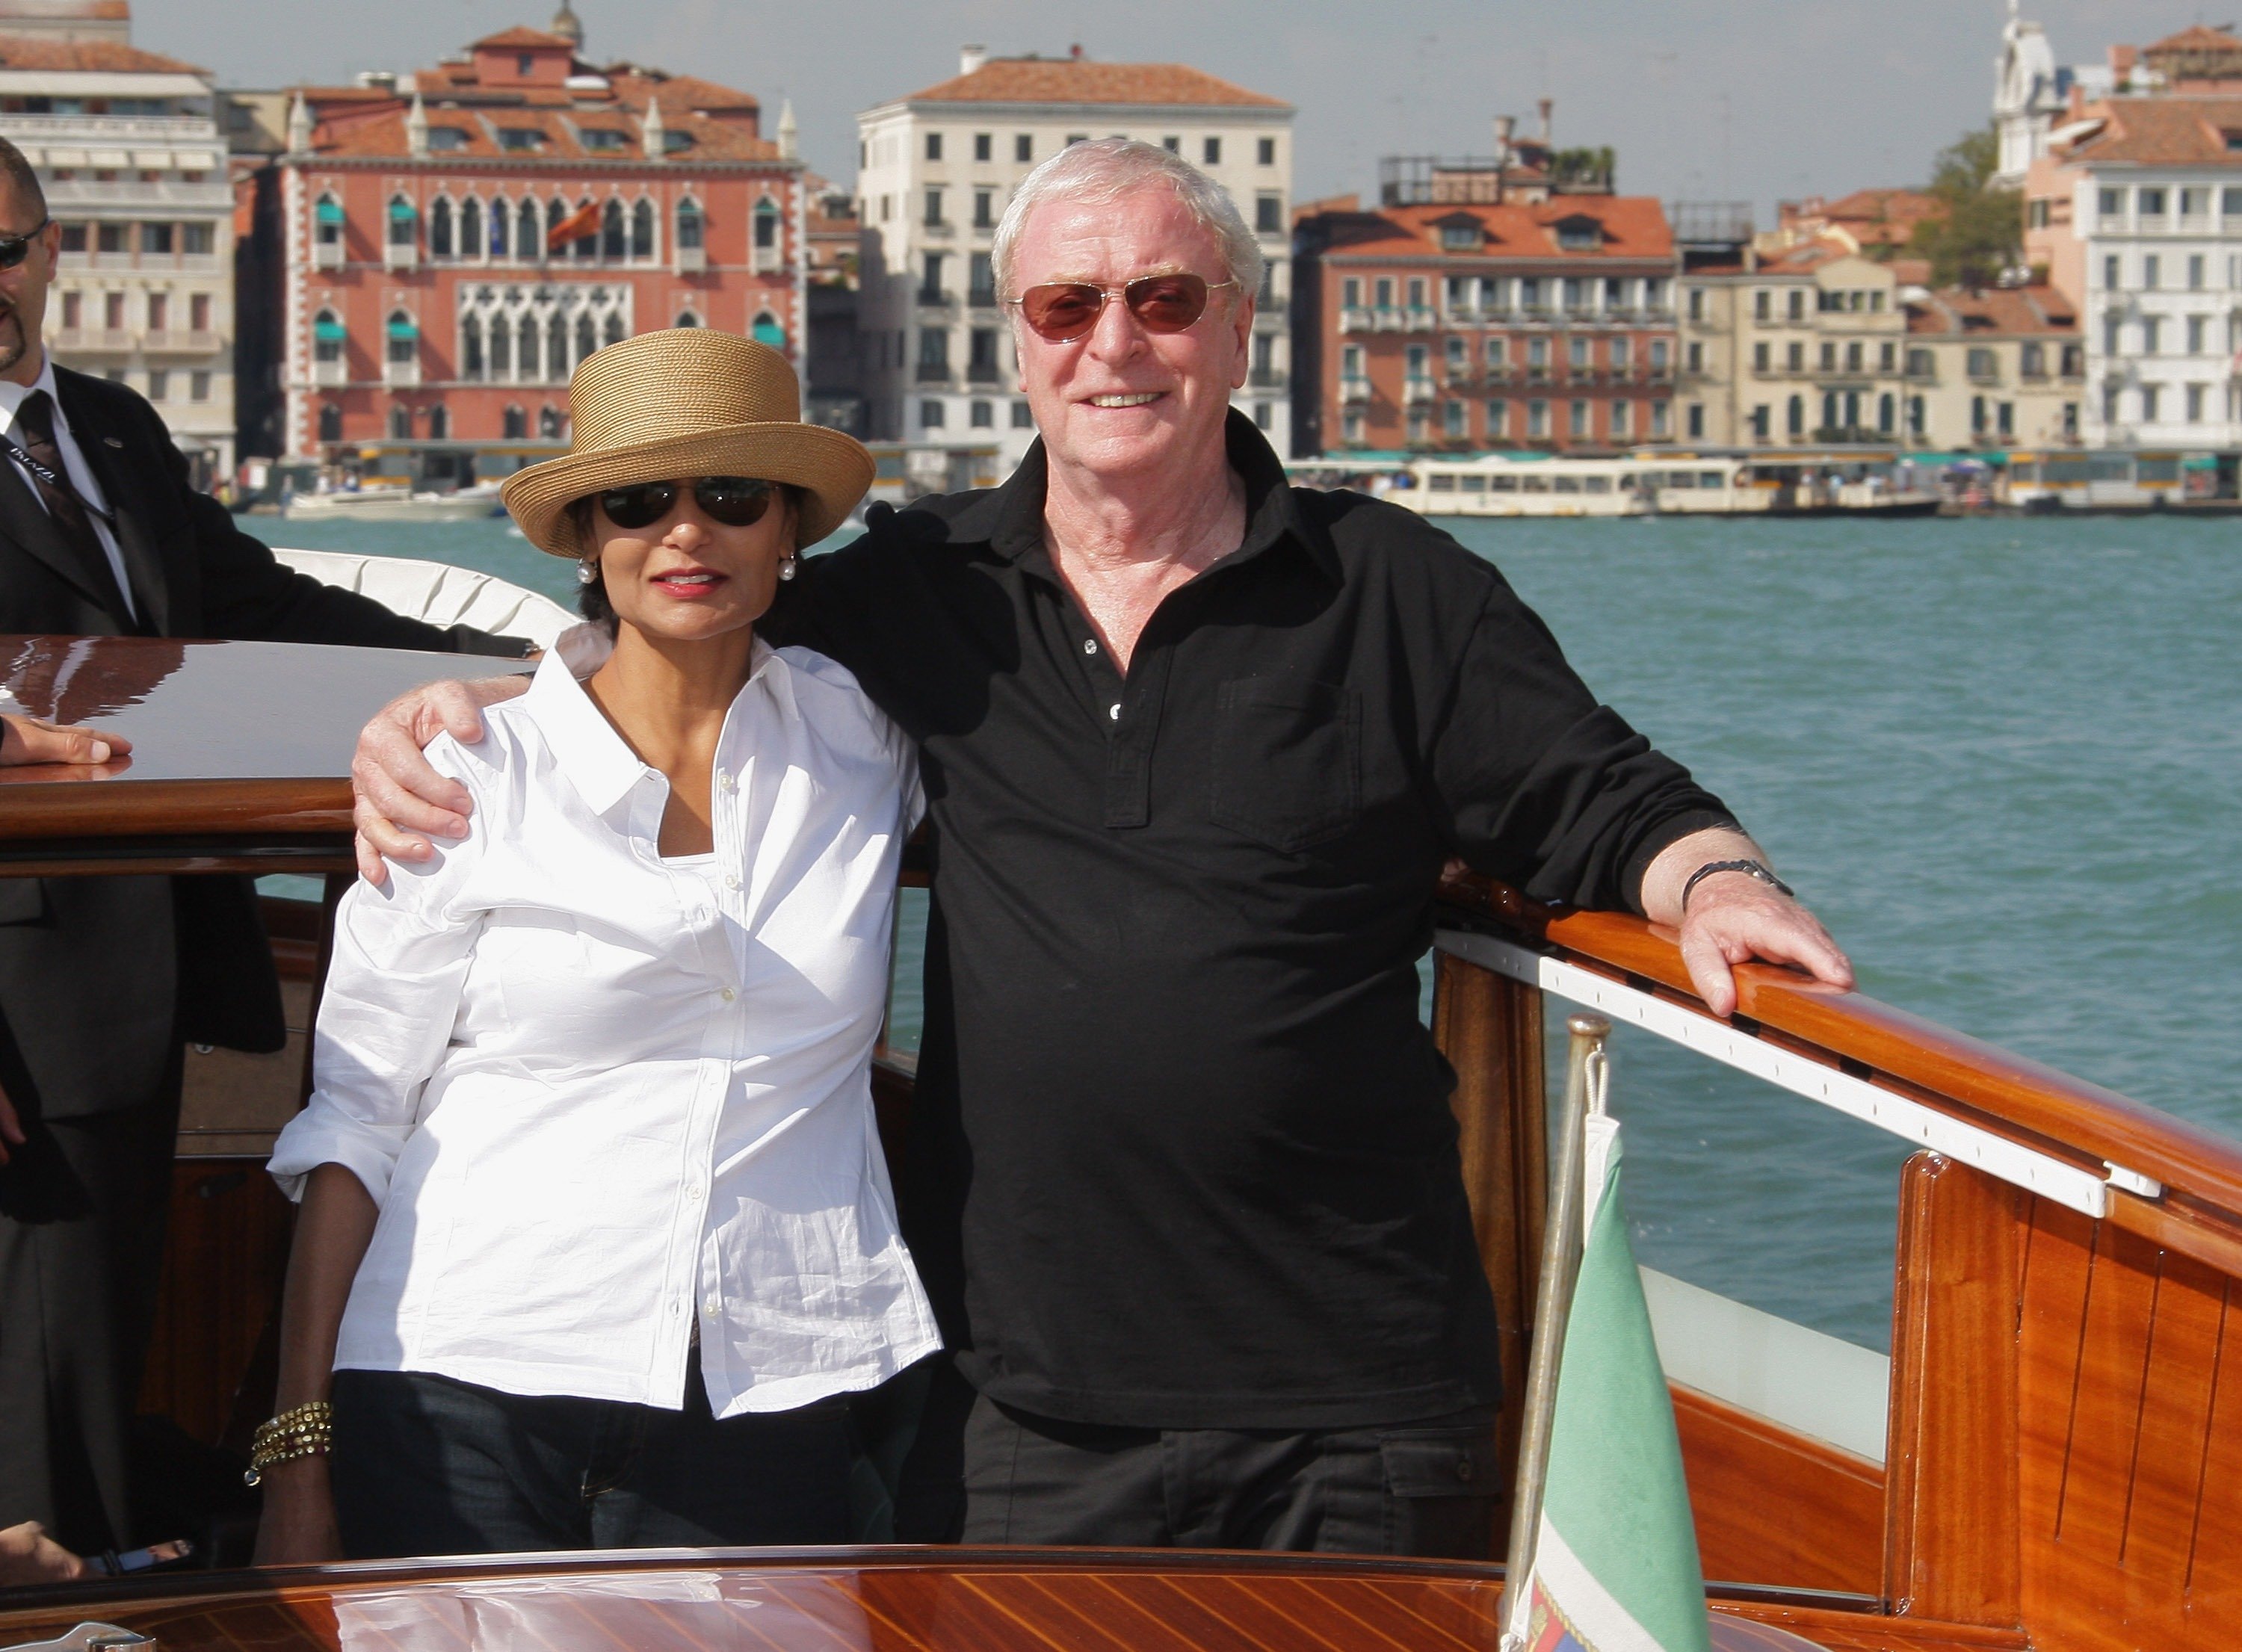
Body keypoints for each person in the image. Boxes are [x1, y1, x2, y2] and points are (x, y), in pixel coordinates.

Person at [351, 140, 1852, 1557]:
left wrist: (1714, 882)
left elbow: (1601, 792)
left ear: (1239, 327)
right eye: (1070, 305)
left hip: (1365, 1396)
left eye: (1163, 299)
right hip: (1024, 1403)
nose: (1115, 343)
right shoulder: (923, 591)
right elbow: (673, 631)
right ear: (1021, 338)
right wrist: (463, 705)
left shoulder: (1398, 590)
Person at [255, 330, 937, 1562]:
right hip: (456, 1379)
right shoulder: (460, 768)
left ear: (789, 532)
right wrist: (298, 1458)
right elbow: (356, 1117)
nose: (687, 532)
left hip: (766, 1388)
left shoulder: (868, 743)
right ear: (588, 540)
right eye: (638, 500)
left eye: (730, 497)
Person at [0, 129, 534, 1559]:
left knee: (97, 1326)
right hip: (14, 991)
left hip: (139, 968)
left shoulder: (110, 430)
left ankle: (104, 1587)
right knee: (32, 1355)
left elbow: (260, 602)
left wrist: (524, 665)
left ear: (49, 255)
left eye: (2, 252)